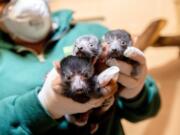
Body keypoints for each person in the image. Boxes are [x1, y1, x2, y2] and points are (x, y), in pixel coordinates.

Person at [0, 0, 160, 135]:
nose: (15, 4)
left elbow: (148, 109)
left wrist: (136, 92)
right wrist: (42, 105)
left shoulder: (93, 32)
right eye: (3, 2)